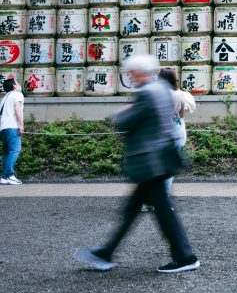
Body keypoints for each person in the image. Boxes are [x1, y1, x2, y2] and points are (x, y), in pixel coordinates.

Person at [74, 54, 200, 273]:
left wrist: (120, 114)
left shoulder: (148, 93)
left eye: (131, 73)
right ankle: (106, 252)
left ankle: (185, 257)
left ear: (139, 72)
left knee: (160, 212)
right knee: (135, 210)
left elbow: (127, 122)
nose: (130, 77)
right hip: (158, 157)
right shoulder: (161, 89)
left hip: (149, 160)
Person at [158, 67, 195, 196]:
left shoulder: (156, 94)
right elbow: (182, 115)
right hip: (177, 132)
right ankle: (163, 199)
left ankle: (156, 199)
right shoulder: (180, 95)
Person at [0, 77, 25, 185]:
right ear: (14, 85)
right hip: (12, 126)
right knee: (15, 150)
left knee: (7, 152)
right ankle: (9, 175)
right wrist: (21, 124)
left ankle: (4, 177)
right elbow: (17, 108)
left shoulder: (4, 98)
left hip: (3, 127)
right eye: (17, 83)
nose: (19, 84)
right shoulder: (17, 94)